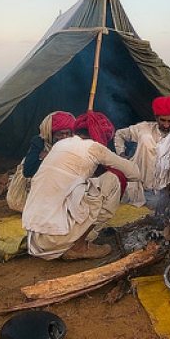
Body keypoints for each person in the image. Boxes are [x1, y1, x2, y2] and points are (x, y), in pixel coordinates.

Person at [21, 111, 140, 260]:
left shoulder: (61, 145)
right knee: (112, 179)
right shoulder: (95, 148)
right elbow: (135, 173)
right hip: (56, 238)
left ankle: (72, 241)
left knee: (84, 185)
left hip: (35, 238)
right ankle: (79, 246)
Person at [114, 96, 170, 209]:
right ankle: (148, 192)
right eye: (163, 120)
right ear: (156, 117)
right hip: (142, 185)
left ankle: (168, 193)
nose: (166, 125)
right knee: (146, 139)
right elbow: (119, 135)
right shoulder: (144, 128)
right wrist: (121, 155)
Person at [6, 111, 77, 213]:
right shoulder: (39, 142)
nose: (64, 137)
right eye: (60, 134)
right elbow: (28, 171)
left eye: (68, 133)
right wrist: (48, 158)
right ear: (51, 134)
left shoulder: (74, 145)